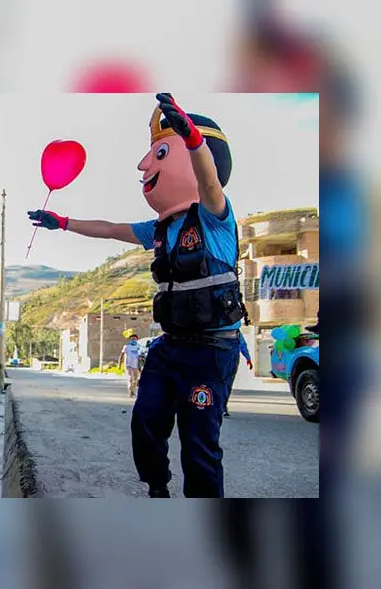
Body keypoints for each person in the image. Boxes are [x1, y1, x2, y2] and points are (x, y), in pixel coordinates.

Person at [29, 93, 247, 498]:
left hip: (212, 350)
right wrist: (62, 222)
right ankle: (157, 490)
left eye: (160, 153)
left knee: (199, 446)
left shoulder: (216, 218)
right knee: (144, 421)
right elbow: (111, 229)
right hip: (170, 348)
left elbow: (210, 182)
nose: (145, 165)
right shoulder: (159, 229)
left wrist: (193, 140)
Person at [223, 332, 253, 417]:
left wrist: (248, 358)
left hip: (230, 358)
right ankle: (222, 406)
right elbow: (242, 344)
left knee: (225, 383)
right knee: (227, 383)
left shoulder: (235, 331)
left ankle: (222, 406)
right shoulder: (235, 330)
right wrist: (248, 357)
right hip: (232, 357)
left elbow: (242, 344)